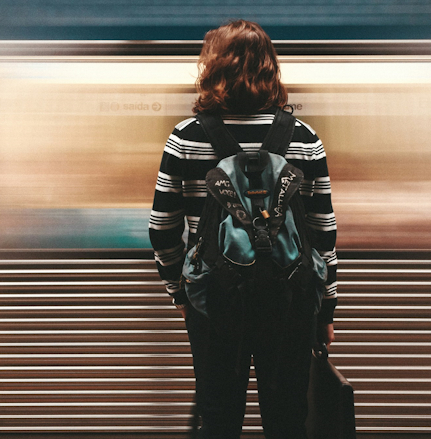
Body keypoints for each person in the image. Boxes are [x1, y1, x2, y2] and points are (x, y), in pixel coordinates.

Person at [148, 19, 337, 439]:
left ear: (211, 68)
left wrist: (181, 294)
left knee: (217, 418)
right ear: (272, 70)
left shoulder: (186, 138)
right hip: (289, 302)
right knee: (288, 418)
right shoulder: (305, 138)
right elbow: (323, 233)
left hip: (214, 303)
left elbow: (162, 229)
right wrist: (325, 308)